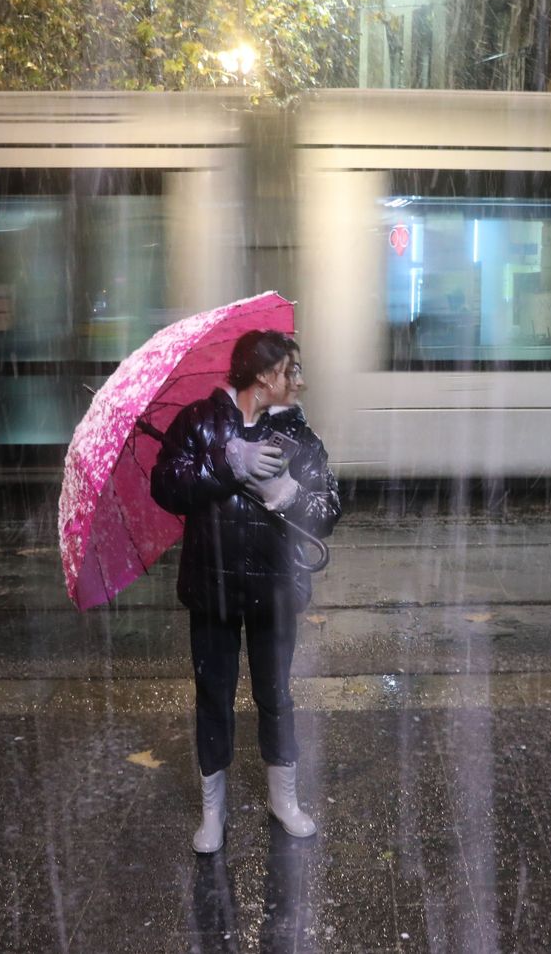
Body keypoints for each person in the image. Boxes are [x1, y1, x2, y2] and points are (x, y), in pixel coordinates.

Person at [151, 330, 341, 853]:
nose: (299, 380)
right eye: (291, 370)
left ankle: (285, 800)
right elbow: (165, 485)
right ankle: (213, 813)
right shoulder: (199, 423)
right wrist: (223, 464)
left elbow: (328, 513)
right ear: (263, 376)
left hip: (276, 591)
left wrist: (289, 493)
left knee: (275, 695)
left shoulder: (301, 438)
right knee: (213, 697)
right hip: (210, 589)